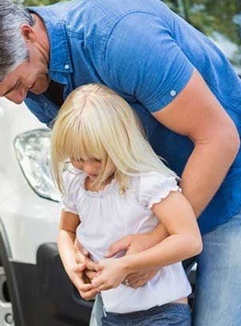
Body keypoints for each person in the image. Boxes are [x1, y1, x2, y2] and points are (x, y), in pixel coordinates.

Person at [0, 0, 241, 325]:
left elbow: (220, 139)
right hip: (155, 203)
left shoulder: (120, 40)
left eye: (14, 84)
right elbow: (101, 170)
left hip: (237, 185)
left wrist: (154, 242)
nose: (18, 99)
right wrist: (76, 247)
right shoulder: (32, 78)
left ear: (27, 34)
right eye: (4, 95)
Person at [52, 84, 202, 326]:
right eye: (78, 158)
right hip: (113, 315)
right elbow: (65, 231)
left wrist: (125, 265)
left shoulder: (146, 181)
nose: (88, 168)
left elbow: (189, 239)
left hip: (163, 313)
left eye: (97, 159)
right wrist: (74, 268)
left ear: (119, 144)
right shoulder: (76, 181)